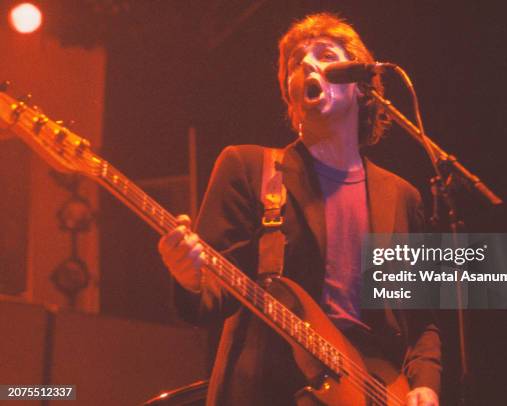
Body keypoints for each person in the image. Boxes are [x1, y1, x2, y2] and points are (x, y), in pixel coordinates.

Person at [158, 13, 441, 406]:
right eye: (296, 63)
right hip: (270, 390)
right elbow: (212, 296)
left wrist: (425, 383)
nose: (308, 64)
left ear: (362, 86)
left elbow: (420, 318)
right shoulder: (251, 169)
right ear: (290, 92)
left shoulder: (402, 196)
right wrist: (189, 277)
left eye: (325, 55)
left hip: (374, 390)